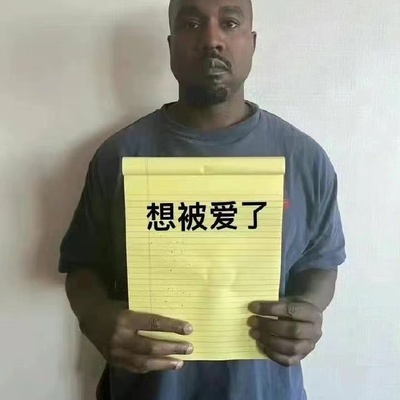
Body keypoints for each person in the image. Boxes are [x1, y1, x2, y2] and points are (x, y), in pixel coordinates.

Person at [59, 0, 346, 399]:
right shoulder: (120, 156)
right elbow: (82, 266)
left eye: (230, 22)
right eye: (192, 24)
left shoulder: (304, 159)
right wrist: (98, 319)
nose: (212, 39)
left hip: (263, 389)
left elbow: (321, 263)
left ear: (252, 42)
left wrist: (307, 311)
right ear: (171, 44)